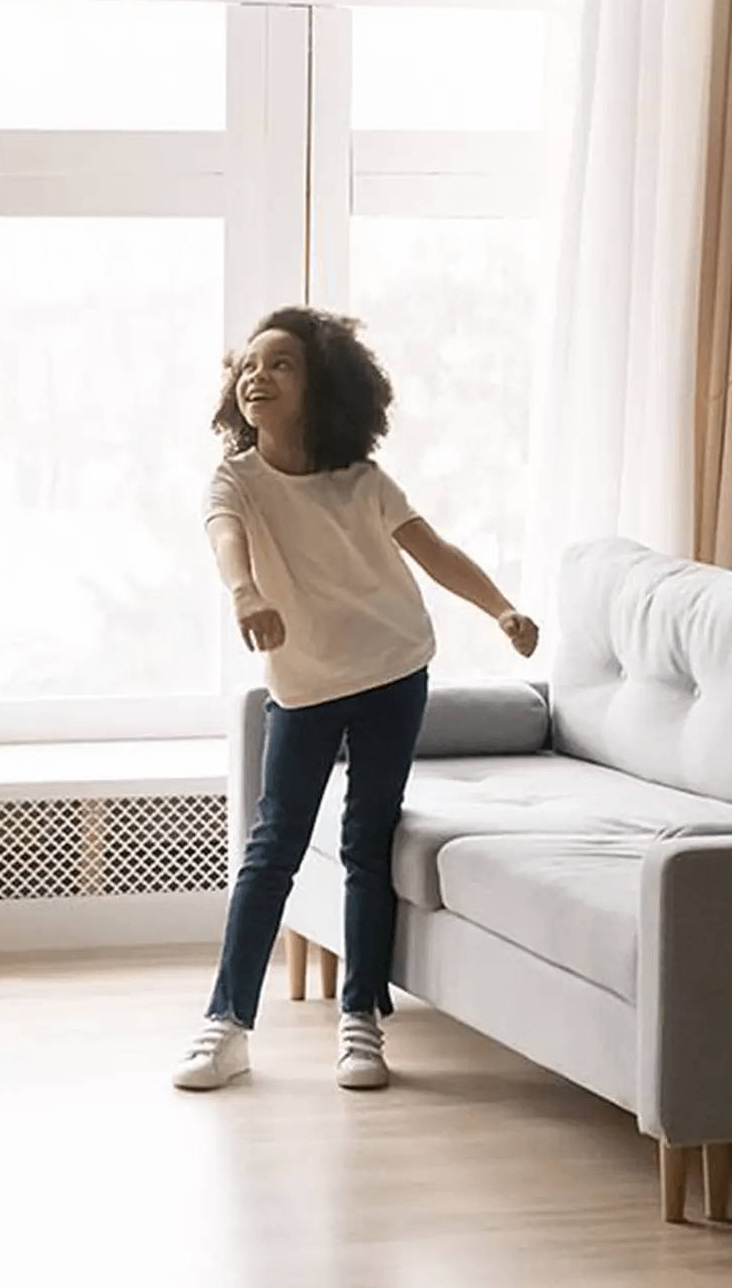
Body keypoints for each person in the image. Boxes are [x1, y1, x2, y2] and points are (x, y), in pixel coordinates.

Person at [172, 308, 539, 1093]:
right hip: (303, 686)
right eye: (249, 366)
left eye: (282, 365)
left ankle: (361, 1020)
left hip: (392, 669)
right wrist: (244, 595)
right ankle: (226, 1023)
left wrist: (501, 608)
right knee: (272, 850)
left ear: (323, 387)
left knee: (368, 841)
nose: (257, 376)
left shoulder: (363, 481)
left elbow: (432, 549)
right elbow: (226, 539)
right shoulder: (235, 478)